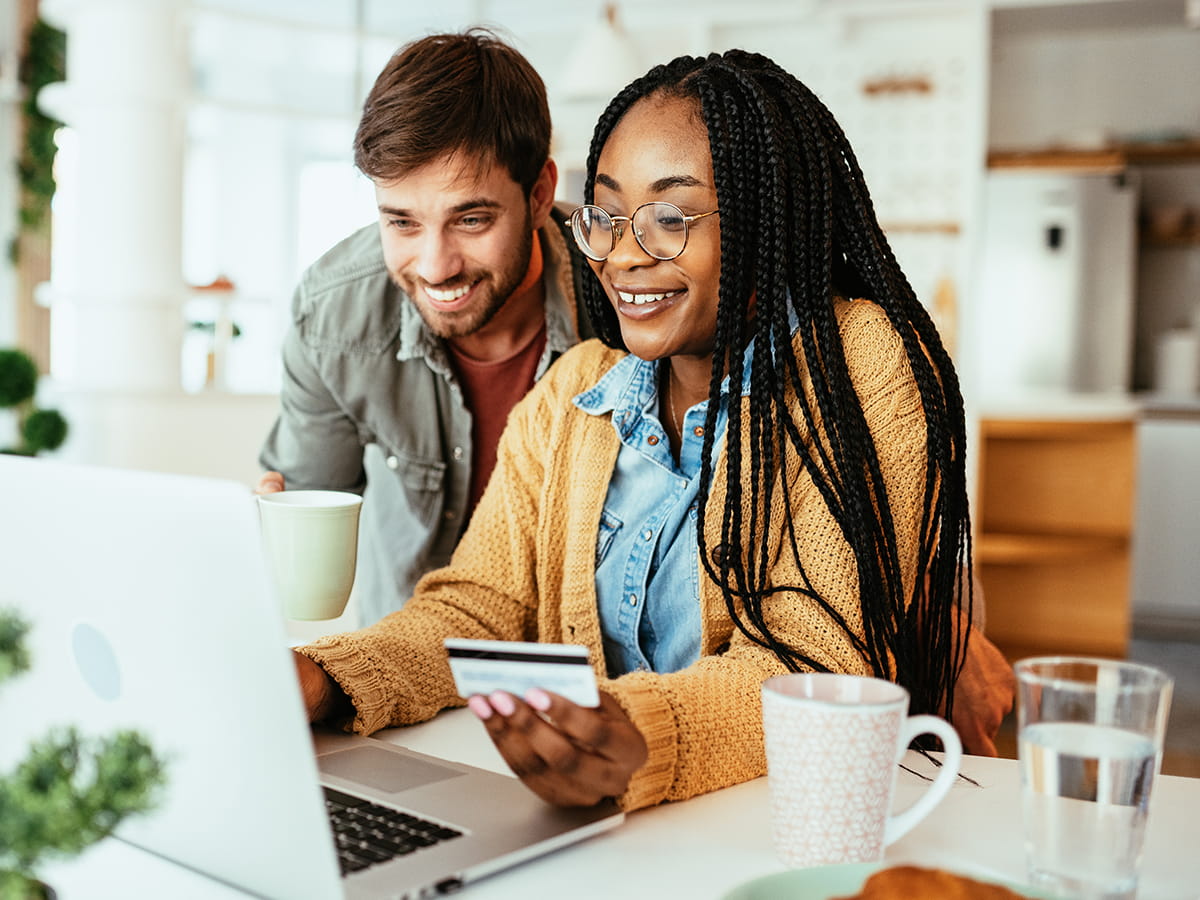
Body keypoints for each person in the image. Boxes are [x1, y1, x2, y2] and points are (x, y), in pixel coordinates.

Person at [292, 49, 1014, 812]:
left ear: (764, 218)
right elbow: (477, 608)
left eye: (670, 217)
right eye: (605, 216)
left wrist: (636, 733)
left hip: (794, 821)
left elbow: (815, 664)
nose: (627, 254)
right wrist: (327, 675)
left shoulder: (855, 362)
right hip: (618, 830)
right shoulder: (573, 392)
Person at [257, 30, 592, 627]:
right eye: (403, 223)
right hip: (406, 671)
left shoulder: (624, 300)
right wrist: (272, 522)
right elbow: (304, 504)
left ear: (540, 195)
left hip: (580, 681)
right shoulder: (335, 315)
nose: (436, 266)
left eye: (470, 219)